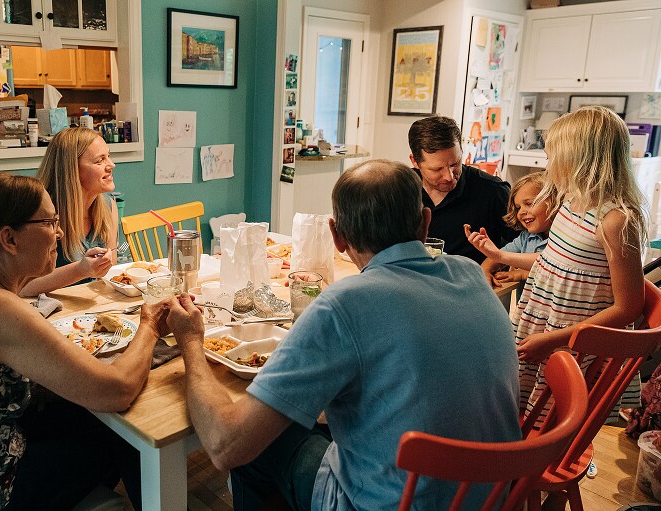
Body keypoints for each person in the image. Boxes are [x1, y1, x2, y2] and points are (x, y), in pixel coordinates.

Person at [165, 159, 521, 510]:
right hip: (488, 495)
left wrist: (191, 341)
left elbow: (225, 446)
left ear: (336, 236)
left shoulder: (345, 304)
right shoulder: (469, 273)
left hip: (391, 503)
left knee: (258, 447)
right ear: (425, 222)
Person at [0, 173, 171, 510]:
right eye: (50, 221)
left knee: (83, 416)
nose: (60, 232)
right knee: (126, 435)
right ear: (8, 238)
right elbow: (116, 391)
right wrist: (151, 324)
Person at [513, 106, 646, 450]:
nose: (548, 163)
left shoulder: (616, 220)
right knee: (527, 415)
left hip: (573, 344)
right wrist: (502, 258)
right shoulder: (572, 201)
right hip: (544, 327)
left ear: (582, 159)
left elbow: (629, 307)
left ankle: (544, 487)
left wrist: (559, 339)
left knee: (553, 430)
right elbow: (555, 261)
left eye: (553, 155)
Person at [20, 127, 119, 296]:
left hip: (90, 306)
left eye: (108, 156)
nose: (111, 165)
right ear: (72, 169)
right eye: (99, 161)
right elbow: (22, 287)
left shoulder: (109, 206)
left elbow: (110, 270)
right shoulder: (39, 213)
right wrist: (80, 270)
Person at [408, 115, 517, 263]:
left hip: (471, 281)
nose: (449, 176)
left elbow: (525, 244)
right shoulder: (400, 190)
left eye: (455, 164)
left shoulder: (493, 191)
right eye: (437, 169)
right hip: (412, 279)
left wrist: (491, 265)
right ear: (415, 161)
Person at [464, 171, 557, 288]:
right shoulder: (525, 237)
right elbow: (498, 257)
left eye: (529, 203)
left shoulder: (561, 239)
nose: (521, 212)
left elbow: (552, 268)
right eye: (518, 208)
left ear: (553, 202)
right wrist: (485, 271)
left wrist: (522, 275)